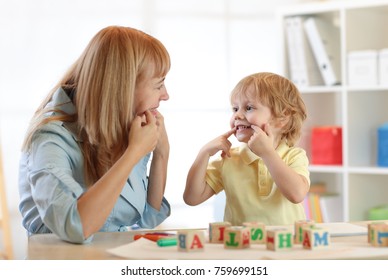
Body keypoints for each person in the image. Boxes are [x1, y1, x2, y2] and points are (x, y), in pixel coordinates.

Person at [18, 26, 171, 243]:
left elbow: (148, 217)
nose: (166, 95)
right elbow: (76, 226)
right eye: (159, 85)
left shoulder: (124, 126)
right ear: (123, 89)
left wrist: (161, 154)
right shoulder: (49, 139)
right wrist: (133, 153)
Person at [184, 72, 310, 226]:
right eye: (235, 109)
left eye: (249, 108)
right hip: (240, 246)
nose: (238, 115)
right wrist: (203, 153)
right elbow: (192, 198)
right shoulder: (229, 159)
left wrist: (267, 153)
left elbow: (296, 194)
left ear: (282, 117)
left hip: (285, 245)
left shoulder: (294, 156)